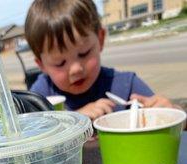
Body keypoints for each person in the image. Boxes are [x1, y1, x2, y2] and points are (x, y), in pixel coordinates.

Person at [25, 0, 180, 121]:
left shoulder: (125, 85)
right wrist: (76, 120)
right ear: (42, 65)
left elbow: (173, 123)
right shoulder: (40, 97)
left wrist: (172, 113)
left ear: (100, 39)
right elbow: (30, 143)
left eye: (84, 53)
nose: (76, 69)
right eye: (60, 63)